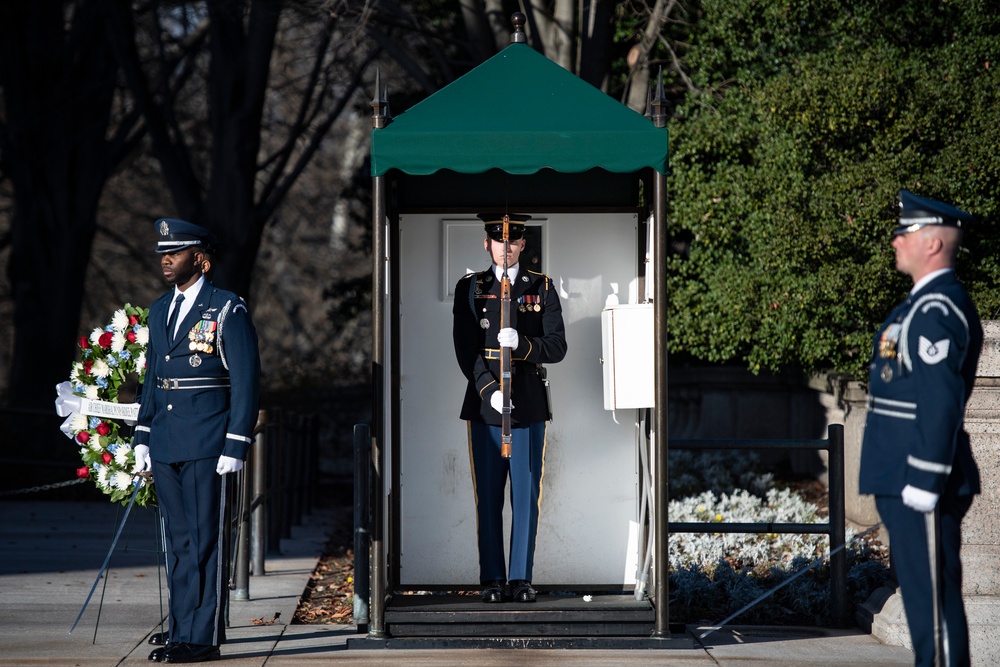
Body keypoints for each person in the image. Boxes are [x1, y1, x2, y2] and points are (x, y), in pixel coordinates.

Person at [860, 190, 982, 667]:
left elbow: (941, 400)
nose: (895, 241)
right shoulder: (920, 306)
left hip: (919, 478)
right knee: (921, 602)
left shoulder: (936, 311)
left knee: (932, 608)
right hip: (903, 477)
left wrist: (927, 479)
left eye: (904, 232)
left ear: (932, 243)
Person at [133, 218, 261, 663]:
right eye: (162, 253)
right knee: (179, 542)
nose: (166, 259)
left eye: (176, 251)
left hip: (208, 441)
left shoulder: (227, 309)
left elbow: (246, 380)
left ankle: (201, 638)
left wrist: (237, 442)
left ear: (200, 258)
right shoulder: (158, 309)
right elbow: (153, 378)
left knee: (206, 541)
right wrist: (143, 435)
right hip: (167, 441)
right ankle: (182, 625)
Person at [452, 213, 567, 603]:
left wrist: (524, 344)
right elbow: (465, 349)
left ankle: (520, 578)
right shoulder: (470, 288)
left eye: (513, 241)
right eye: (498, 241)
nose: (505, 248)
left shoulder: (542, 287)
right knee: (488, 494)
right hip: (486, 408)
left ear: (522, 245)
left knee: (525, 494)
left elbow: (557, 346)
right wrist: (489, 390)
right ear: (487, 244)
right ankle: (492, 579)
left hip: (528, 404)